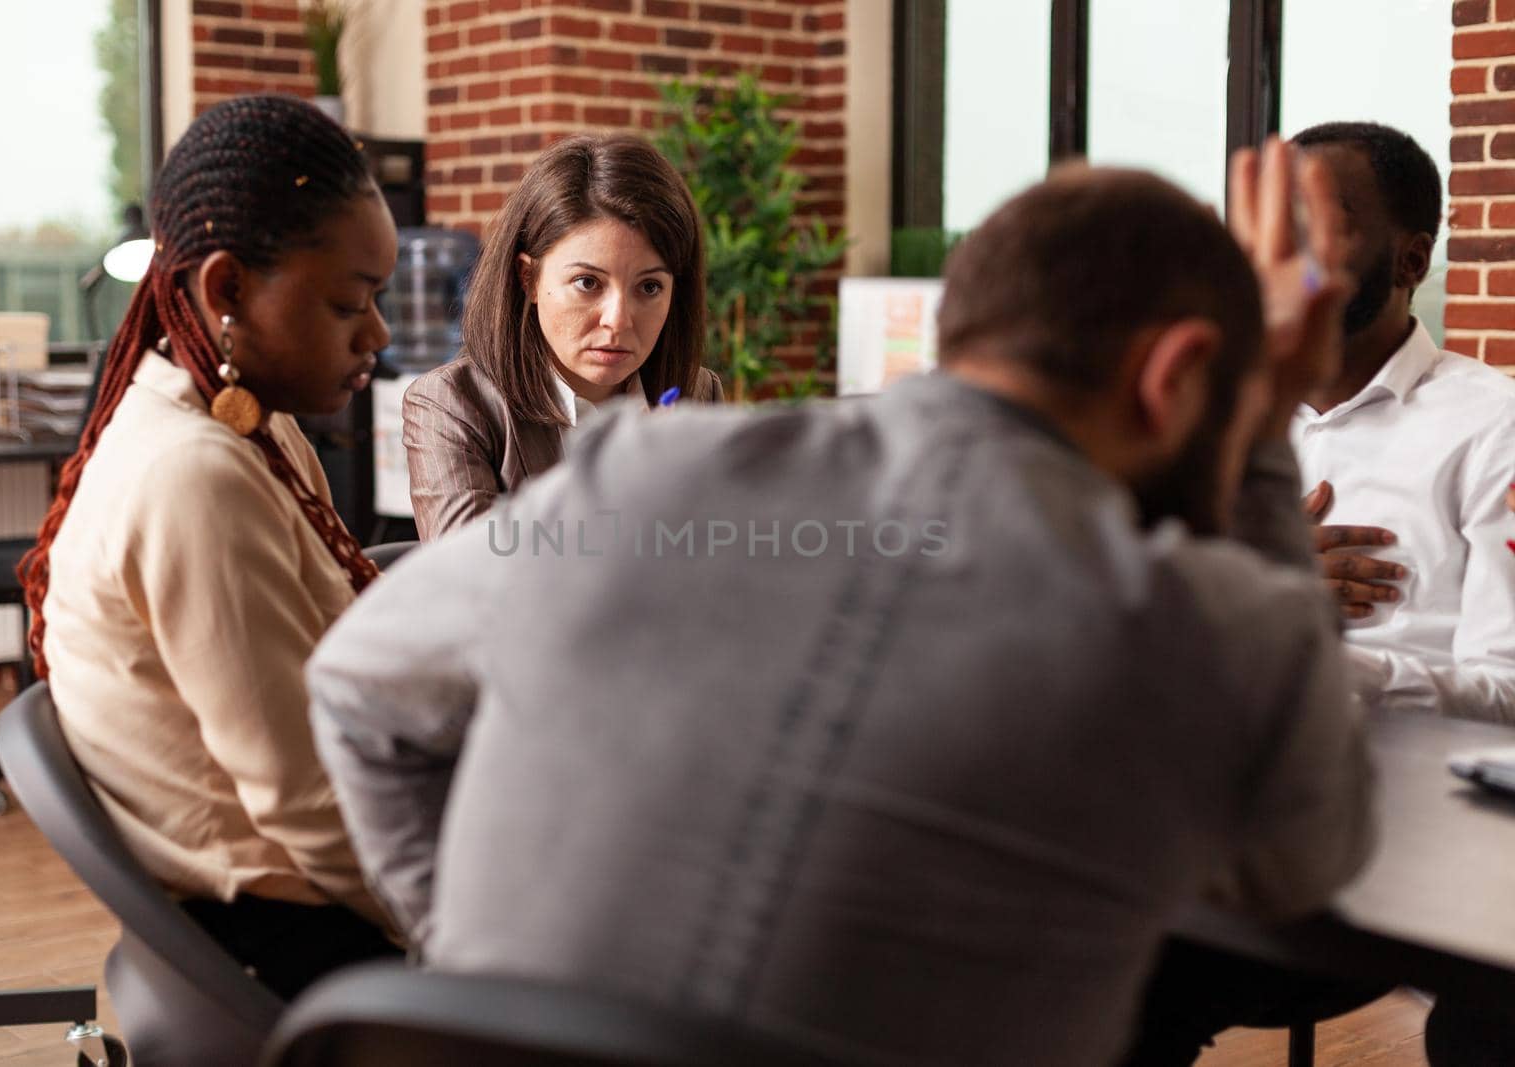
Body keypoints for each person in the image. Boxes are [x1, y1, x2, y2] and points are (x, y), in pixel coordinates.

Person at [306, 143, 1373, 1066]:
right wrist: (1264, 426)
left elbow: (356, 681)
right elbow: (1299, 869)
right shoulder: (1208, 622)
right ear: (1178, 372)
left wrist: (473, 966)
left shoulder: (635, 473)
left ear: (955, 323)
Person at [17, 95, 401, 1000]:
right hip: (294, 938)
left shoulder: (246, 429)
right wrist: (482, 919)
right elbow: (307, 808)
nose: (377, 336)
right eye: (350, 302)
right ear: (226, 289)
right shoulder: (194, 476)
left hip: (308, 896)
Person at [1288, 121, 1515, 723]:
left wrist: (1317, 668)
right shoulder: (1211, 420)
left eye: (1319, 223)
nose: (1284, 250)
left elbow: (1508, 690)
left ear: (1411, 261)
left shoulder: (1497, 427)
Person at [401, 134, 723, 538]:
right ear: (529, 278)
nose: (618, 321)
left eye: (650, 287)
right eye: (588, 282)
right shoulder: (453, 403)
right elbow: (476, 579)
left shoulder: (695, 392)